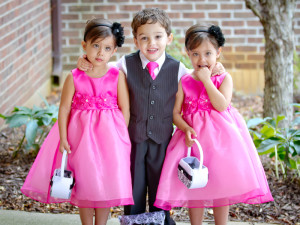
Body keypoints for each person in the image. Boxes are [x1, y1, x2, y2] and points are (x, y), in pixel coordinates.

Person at [77, 9, 224, 225]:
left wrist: (216, 68)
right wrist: (83, 60)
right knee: (134, 185)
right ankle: (134, 221)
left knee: (160, 186)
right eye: (144, 38)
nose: (151, 43)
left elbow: (198, 77)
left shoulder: (178, 69)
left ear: (169, 38)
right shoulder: (126, 64)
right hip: (133, 138)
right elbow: (101, 65)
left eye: (157, 36)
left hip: (162, 139)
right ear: (136, 41)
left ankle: (160, 221)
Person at [153, 24, 274, 225]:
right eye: (195, 54)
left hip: (221, 141)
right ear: (188, 54)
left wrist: (207, 81)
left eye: (208, 53)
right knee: (195, 182)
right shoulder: (184, 81)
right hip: (194, 141)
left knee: (220, 183)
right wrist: (185, 128)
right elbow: (175, 113)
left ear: (218, 53)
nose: (202, 60)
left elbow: (221, 105)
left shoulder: (224, 78)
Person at [21, 18, 133, 225]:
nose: (100, 53)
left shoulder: (117, 76)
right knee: (85, 180)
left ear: (114, 50)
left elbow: (125, 108)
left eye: (107, 48)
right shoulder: (74, 77)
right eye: (96, 46)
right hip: (81, 138)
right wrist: (63, 138)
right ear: (85, 46)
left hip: (110, 138)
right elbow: (63, 108)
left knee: (105, 181)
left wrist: (120, 134)